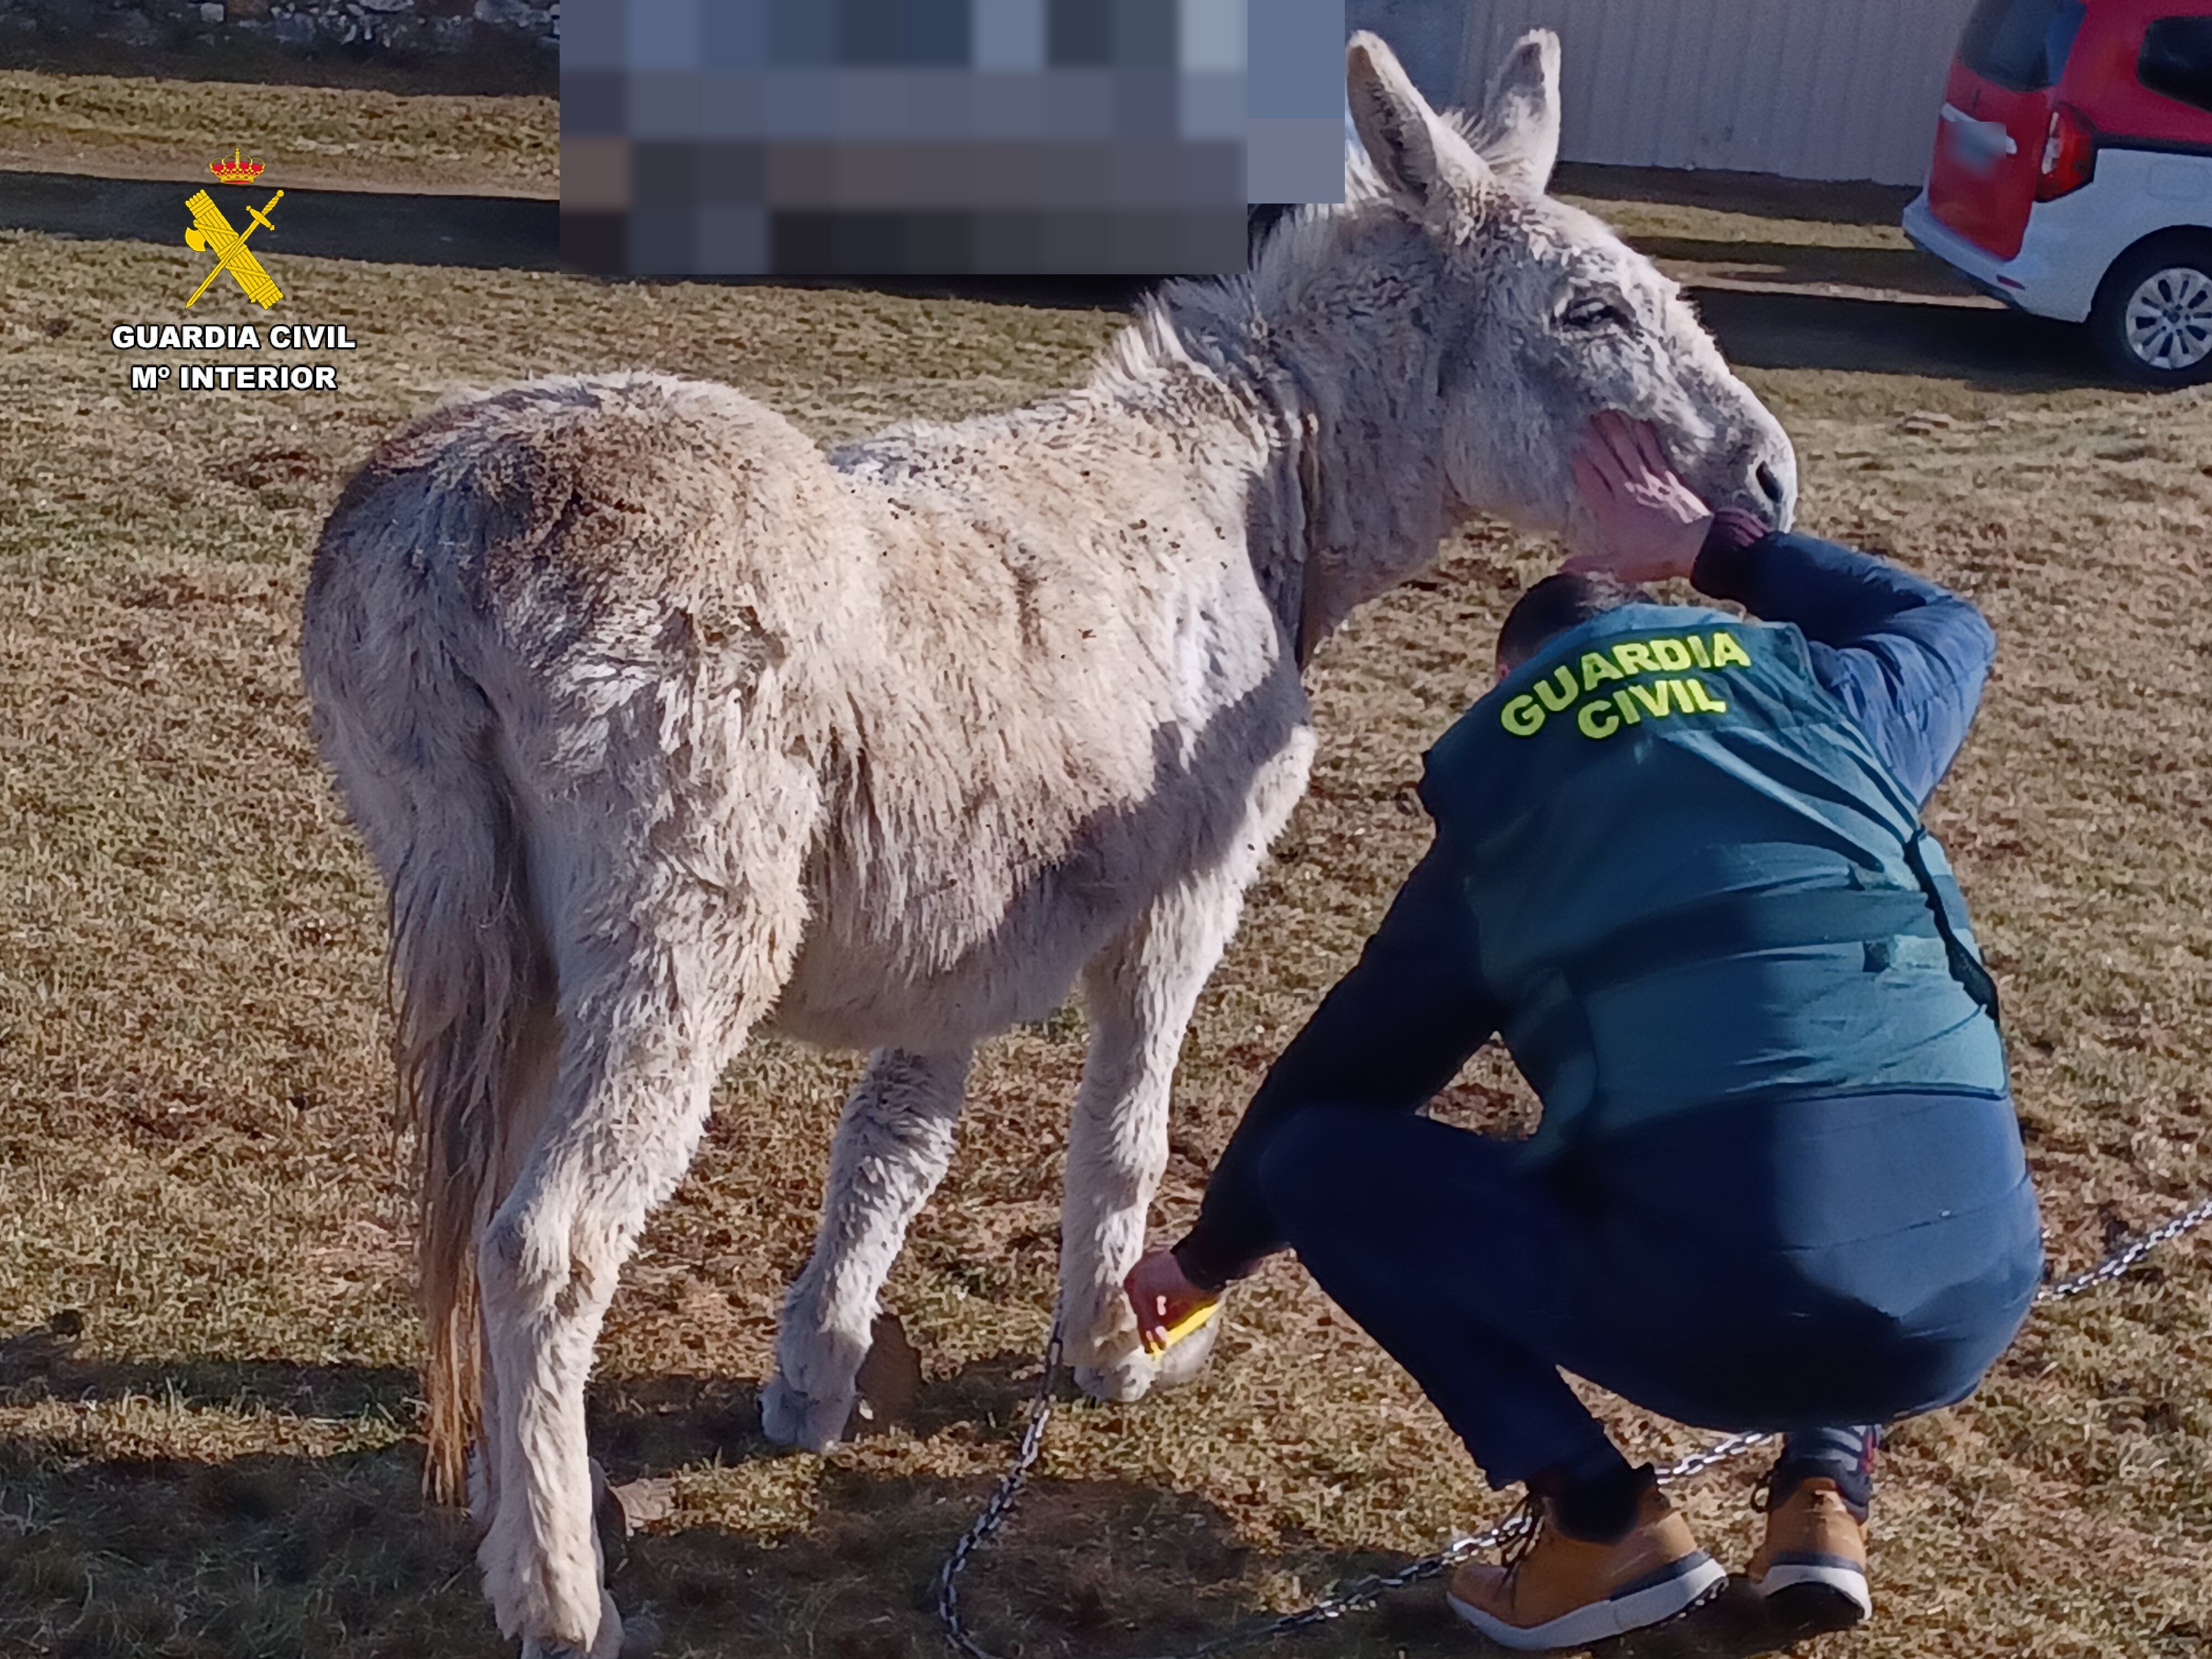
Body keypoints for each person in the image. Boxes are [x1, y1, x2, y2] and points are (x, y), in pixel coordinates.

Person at [1124, 412, 2044, 1650]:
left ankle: (1596, 1519)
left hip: (1720, 1316)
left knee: (1325, 1162)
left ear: (1515, 690)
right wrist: (1714, 549)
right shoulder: (1832, 705)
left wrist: (1205, 1260)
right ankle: (1825, 1483)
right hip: (1973, 1290)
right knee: (1831, 1099)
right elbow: (1948, 627)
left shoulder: (1510, 825)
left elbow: (1348, 1073)